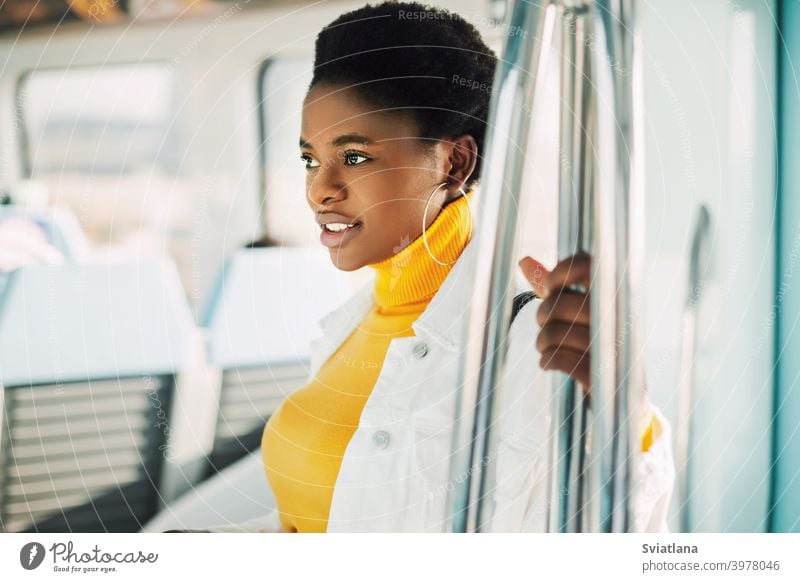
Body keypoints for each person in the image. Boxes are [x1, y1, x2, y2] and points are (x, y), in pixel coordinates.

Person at [196, 1, 673, 533]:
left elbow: (615, 532)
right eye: (310, 159)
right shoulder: (350, 327)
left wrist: (625, 405)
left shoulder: (531, 342)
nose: (319, 189)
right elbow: (325, 521)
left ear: (454, 163)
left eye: (354, 156)